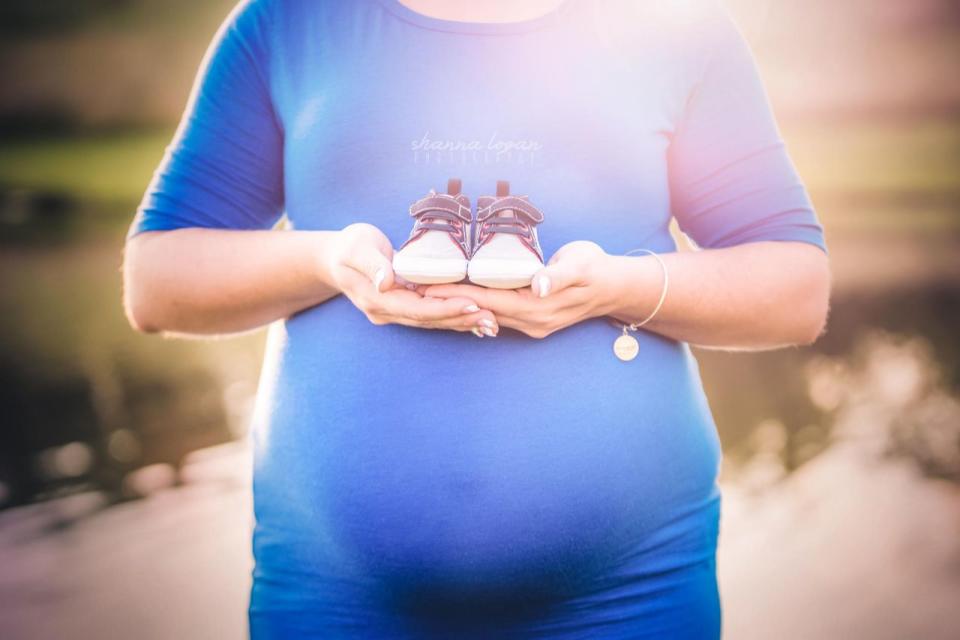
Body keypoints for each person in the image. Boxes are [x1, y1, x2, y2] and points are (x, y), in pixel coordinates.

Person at [121, 0, 830, 637]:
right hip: (333, 599)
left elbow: (796, 290)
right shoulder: (285, 22)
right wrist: (324, 260)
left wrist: (619, 285)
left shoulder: (676, 27)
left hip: (629, 596)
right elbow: (156, 284)